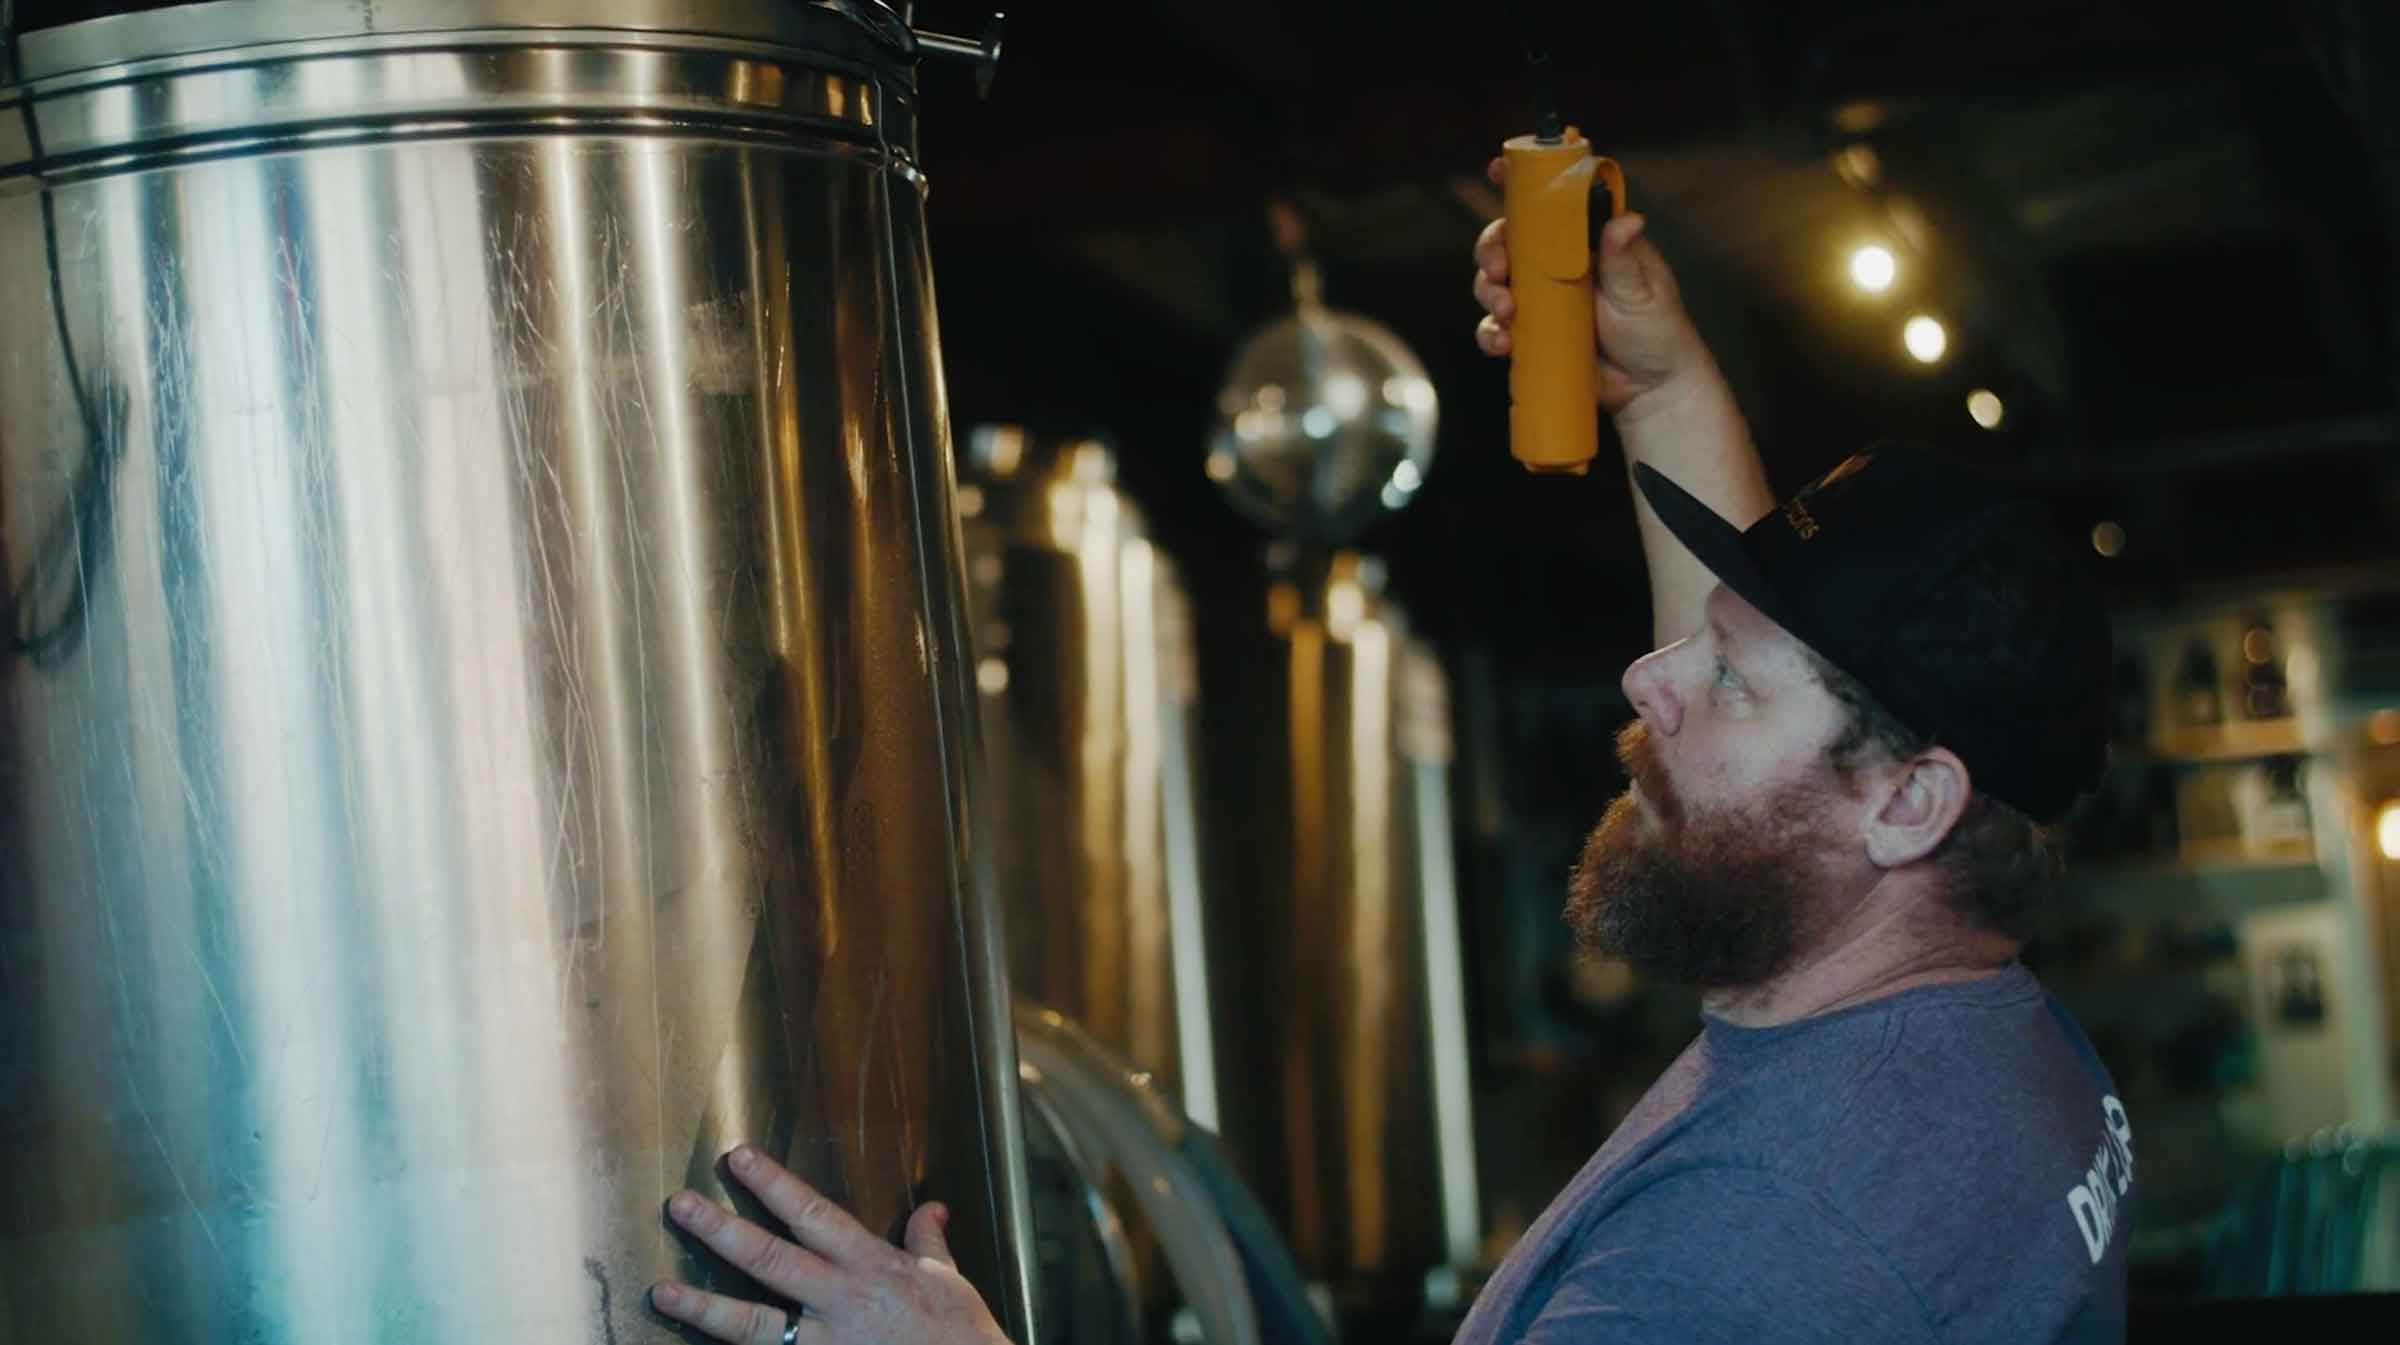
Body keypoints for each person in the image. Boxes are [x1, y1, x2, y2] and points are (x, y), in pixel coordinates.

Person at [647, 163, 2133, 1345]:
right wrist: (1665, 386)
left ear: (1909, 799)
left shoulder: (1764, 1247)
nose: (1648, 674)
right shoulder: (1993, 1049)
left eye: (1726, 680)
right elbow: (1781, 738)